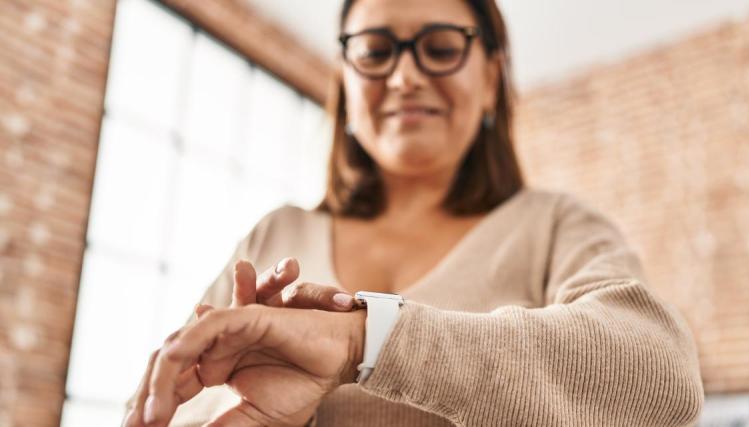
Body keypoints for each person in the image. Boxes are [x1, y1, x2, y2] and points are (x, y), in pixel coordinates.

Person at [123, 0, 704, 425]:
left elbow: (661, 373)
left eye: (441, 47)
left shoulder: (554, 225)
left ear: (491, 78)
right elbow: (176, 404)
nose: (404, 77)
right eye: (375, 52)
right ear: (346, 83)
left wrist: (365, 342)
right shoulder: (276, 232)